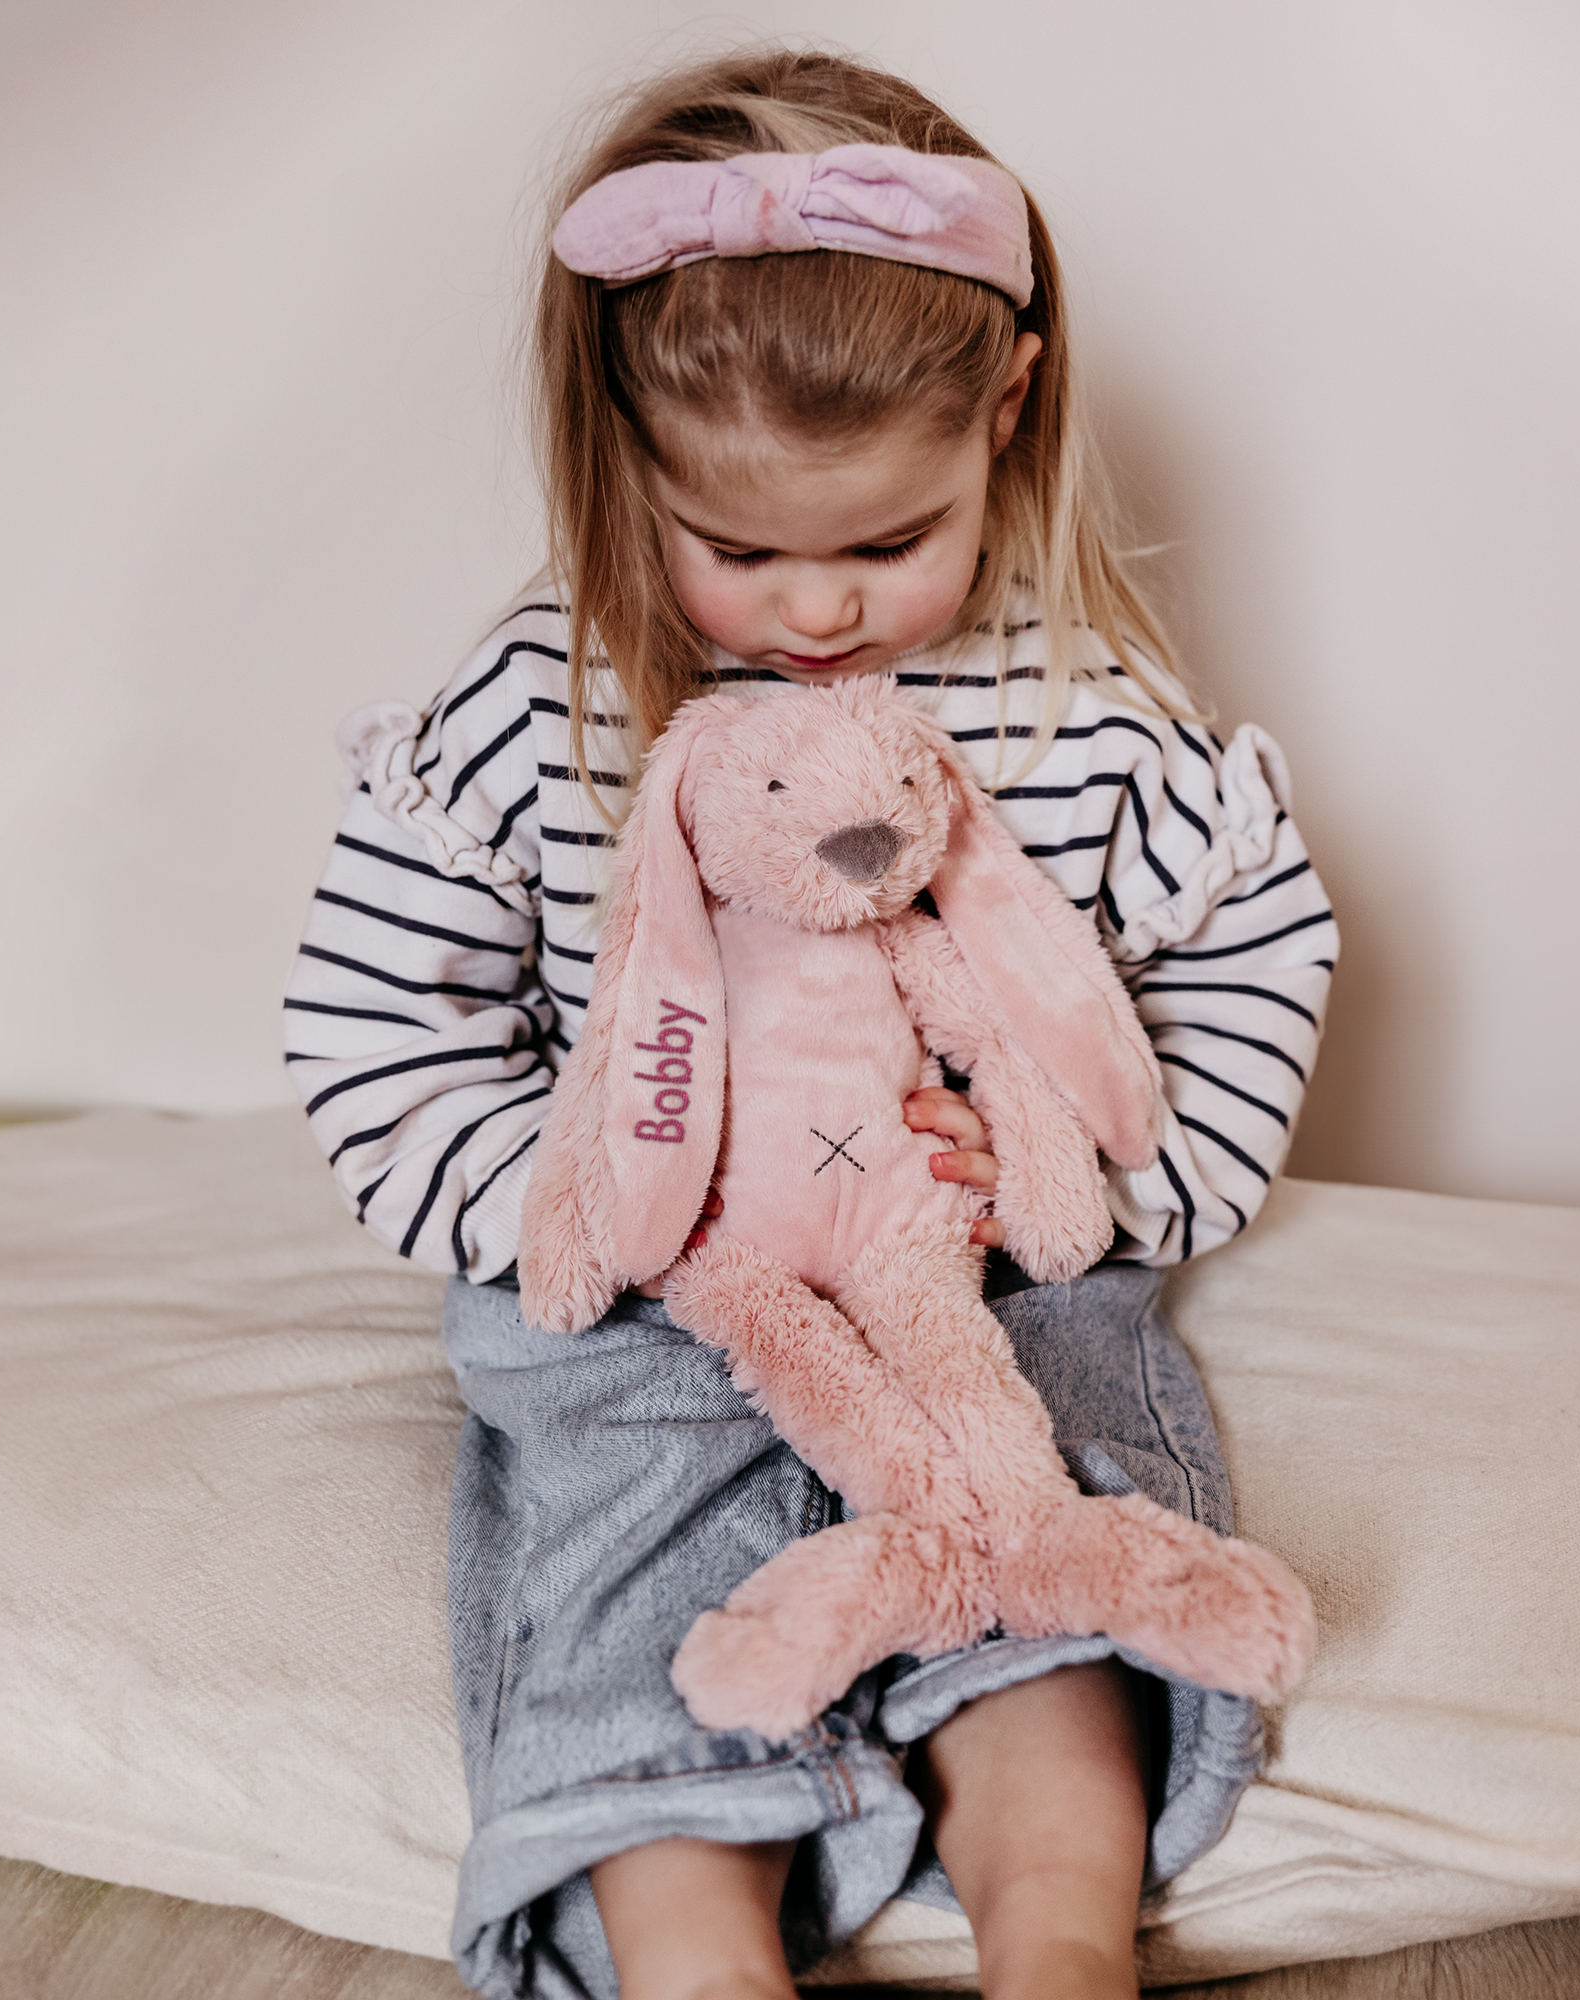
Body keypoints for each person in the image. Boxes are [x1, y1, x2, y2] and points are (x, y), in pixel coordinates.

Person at [284, 47, 1336, 2000]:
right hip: (654, 1280)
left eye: (883, 545)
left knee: (1046, 1502)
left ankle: (1060, 1929)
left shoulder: (1083, 708)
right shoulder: (540, 705)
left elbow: (1247, 946)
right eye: (741, 551)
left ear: (1006, 412)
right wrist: (579, 1190)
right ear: (625, 459)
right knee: (624, 1562)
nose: (817, 614)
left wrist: (1105, 1179)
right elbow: (381, 1031)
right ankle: (697, 1959)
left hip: (974, 1267)